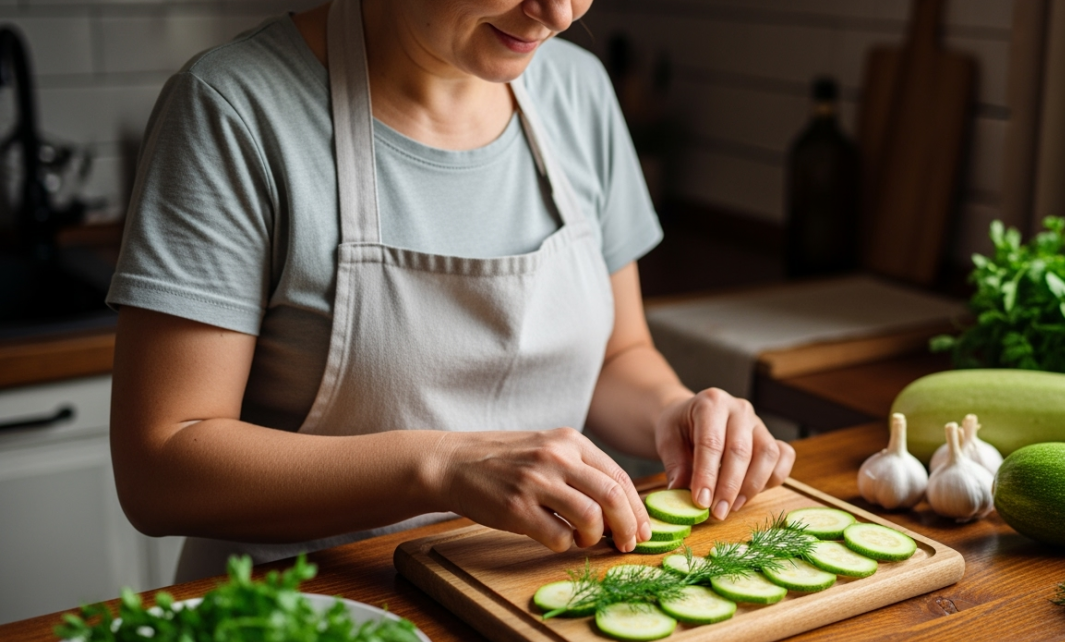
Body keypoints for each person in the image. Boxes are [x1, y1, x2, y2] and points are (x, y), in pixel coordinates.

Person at [107, 0, 795, 583]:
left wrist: (673, 413)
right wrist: (438, 466)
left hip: (518, 596)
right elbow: (160, 469)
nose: (558, 13)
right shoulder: (234, 109)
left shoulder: (579, 92)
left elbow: (618, 357)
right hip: (301, 615)